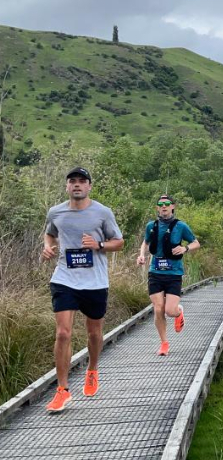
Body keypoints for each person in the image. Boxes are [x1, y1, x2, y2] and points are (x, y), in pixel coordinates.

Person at [41, 167, 124, 412]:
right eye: (72, 181)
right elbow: (49, 234)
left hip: (95, 282)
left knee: (94, 333)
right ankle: (63, 390)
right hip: (64, 278)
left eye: (82, 181)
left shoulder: (102, 213)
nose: (77, 185)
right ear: (67, 186)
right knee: (63, 334)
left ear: (89, 186)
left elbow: (119, 242)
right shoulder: (56, 212)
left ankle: (92, 369)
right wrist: (47, 247)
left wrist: (98, 245)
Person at [136, 195, 200, 356]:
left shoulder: (181, 226)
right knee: (158, 309)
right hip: (155, 272)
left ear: (173, 206)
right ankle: (164, 343)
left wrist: (185, 249)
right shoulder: (151, 226)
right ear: (157, 208)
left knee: (169, 311)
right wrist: (141, 255)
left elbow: (196, 243)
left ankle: (178, 312)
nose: (163, 207)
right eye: (160, 204)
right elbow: (146, 242)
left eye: (167, 204)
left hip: (174, 273)